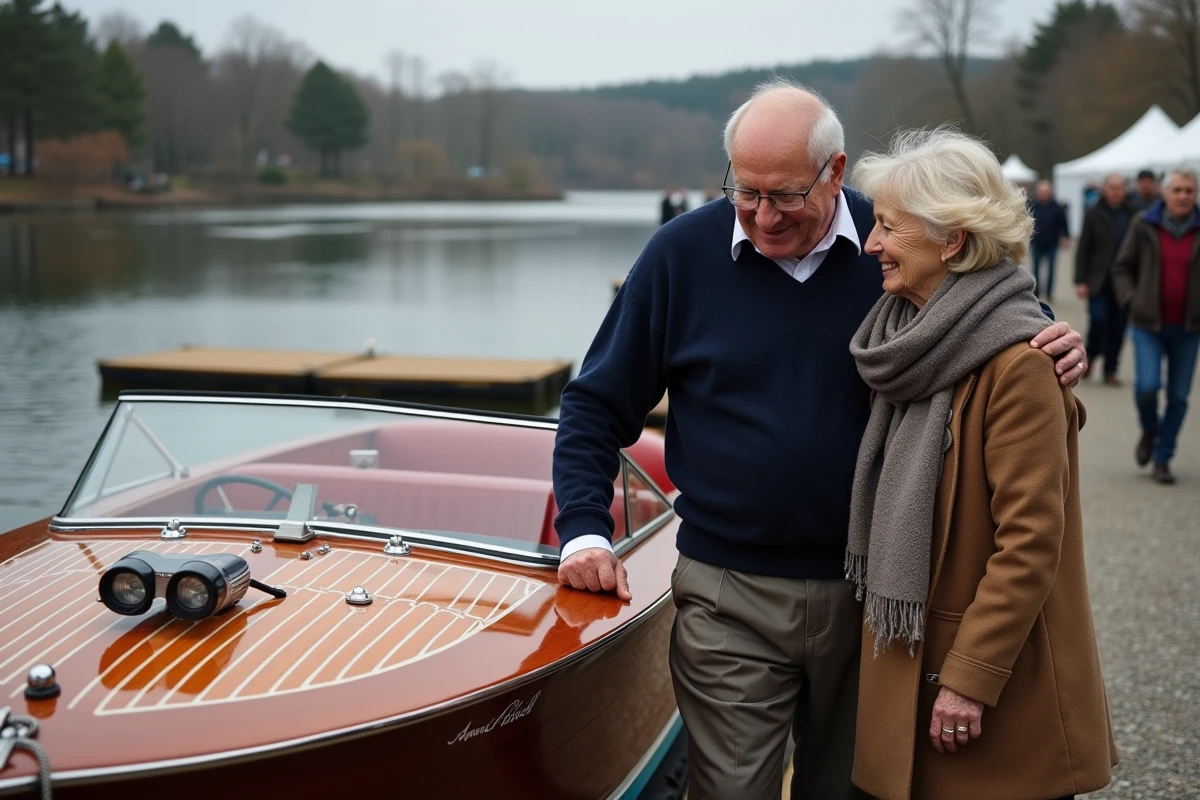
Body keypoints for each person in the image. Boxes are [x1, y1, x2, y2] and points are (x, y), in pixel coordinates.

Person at [551, 80, 1087, 800]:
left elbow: (991, 309)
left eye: (786, 195)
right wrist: (584, 531)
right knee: (731, 790)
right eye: (745, 191)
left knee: (851, 790)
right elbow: (593, 404)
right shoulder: (680, 255)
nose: (762, 216)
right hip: (727, 593)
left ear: (835, 171)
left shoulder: (899, 238)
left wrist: (1054, 337)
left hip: (877, 596)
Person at [846, 128, 1116, 800]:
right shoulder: (902, 338)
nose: (873, 244)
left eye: (888, 228)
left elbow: (1029, 543)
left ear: (954, 241)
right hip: (909, 665)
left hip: (989, 695)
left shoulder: (1021, 363)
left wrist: (970, 675)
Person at [1111, 168, 1200, 485]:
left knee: (1178, 397)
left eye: (1189, 190)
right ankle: (1150, 427)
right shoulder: (1144, 224)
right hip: (1148, 323)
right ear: (1165, 193)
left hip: (1189, 329)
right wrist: (1131, 301)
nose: (1183, 196)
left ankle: (1163, 456)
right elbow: (1122, 268)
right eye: (1177, 190)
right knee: (1147, 387)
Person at [1075, 173, 1134, 385]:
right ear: (1105, 189)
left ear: (1125, 190)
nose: (1117, 192)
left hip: (1125, 282)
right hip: (1098, 279)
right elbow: (1083, 248)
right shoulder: (1094, 213)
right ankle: (1091, 353)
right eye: (1113, 188)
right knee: (1099, 321)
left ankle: (1110, 369)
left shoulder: (1133, 214)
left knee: (1118, 327)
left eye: (1120, 188)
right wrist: (1080, 280)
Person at [1029, 180, 1070, 300]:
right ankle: (1036, 293)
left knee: (1051, 269)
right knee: (1035, 269)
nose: (1044, 194)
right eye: (1042, 192)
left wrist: (1066, 237)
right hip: (1036, 242)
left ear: (1051, 193)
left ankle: (1049, 293)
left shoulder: (1057, 207)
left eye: (1046, 192)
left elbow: (1064, 223)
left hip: (1052, 242)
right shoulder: (1032, 205)